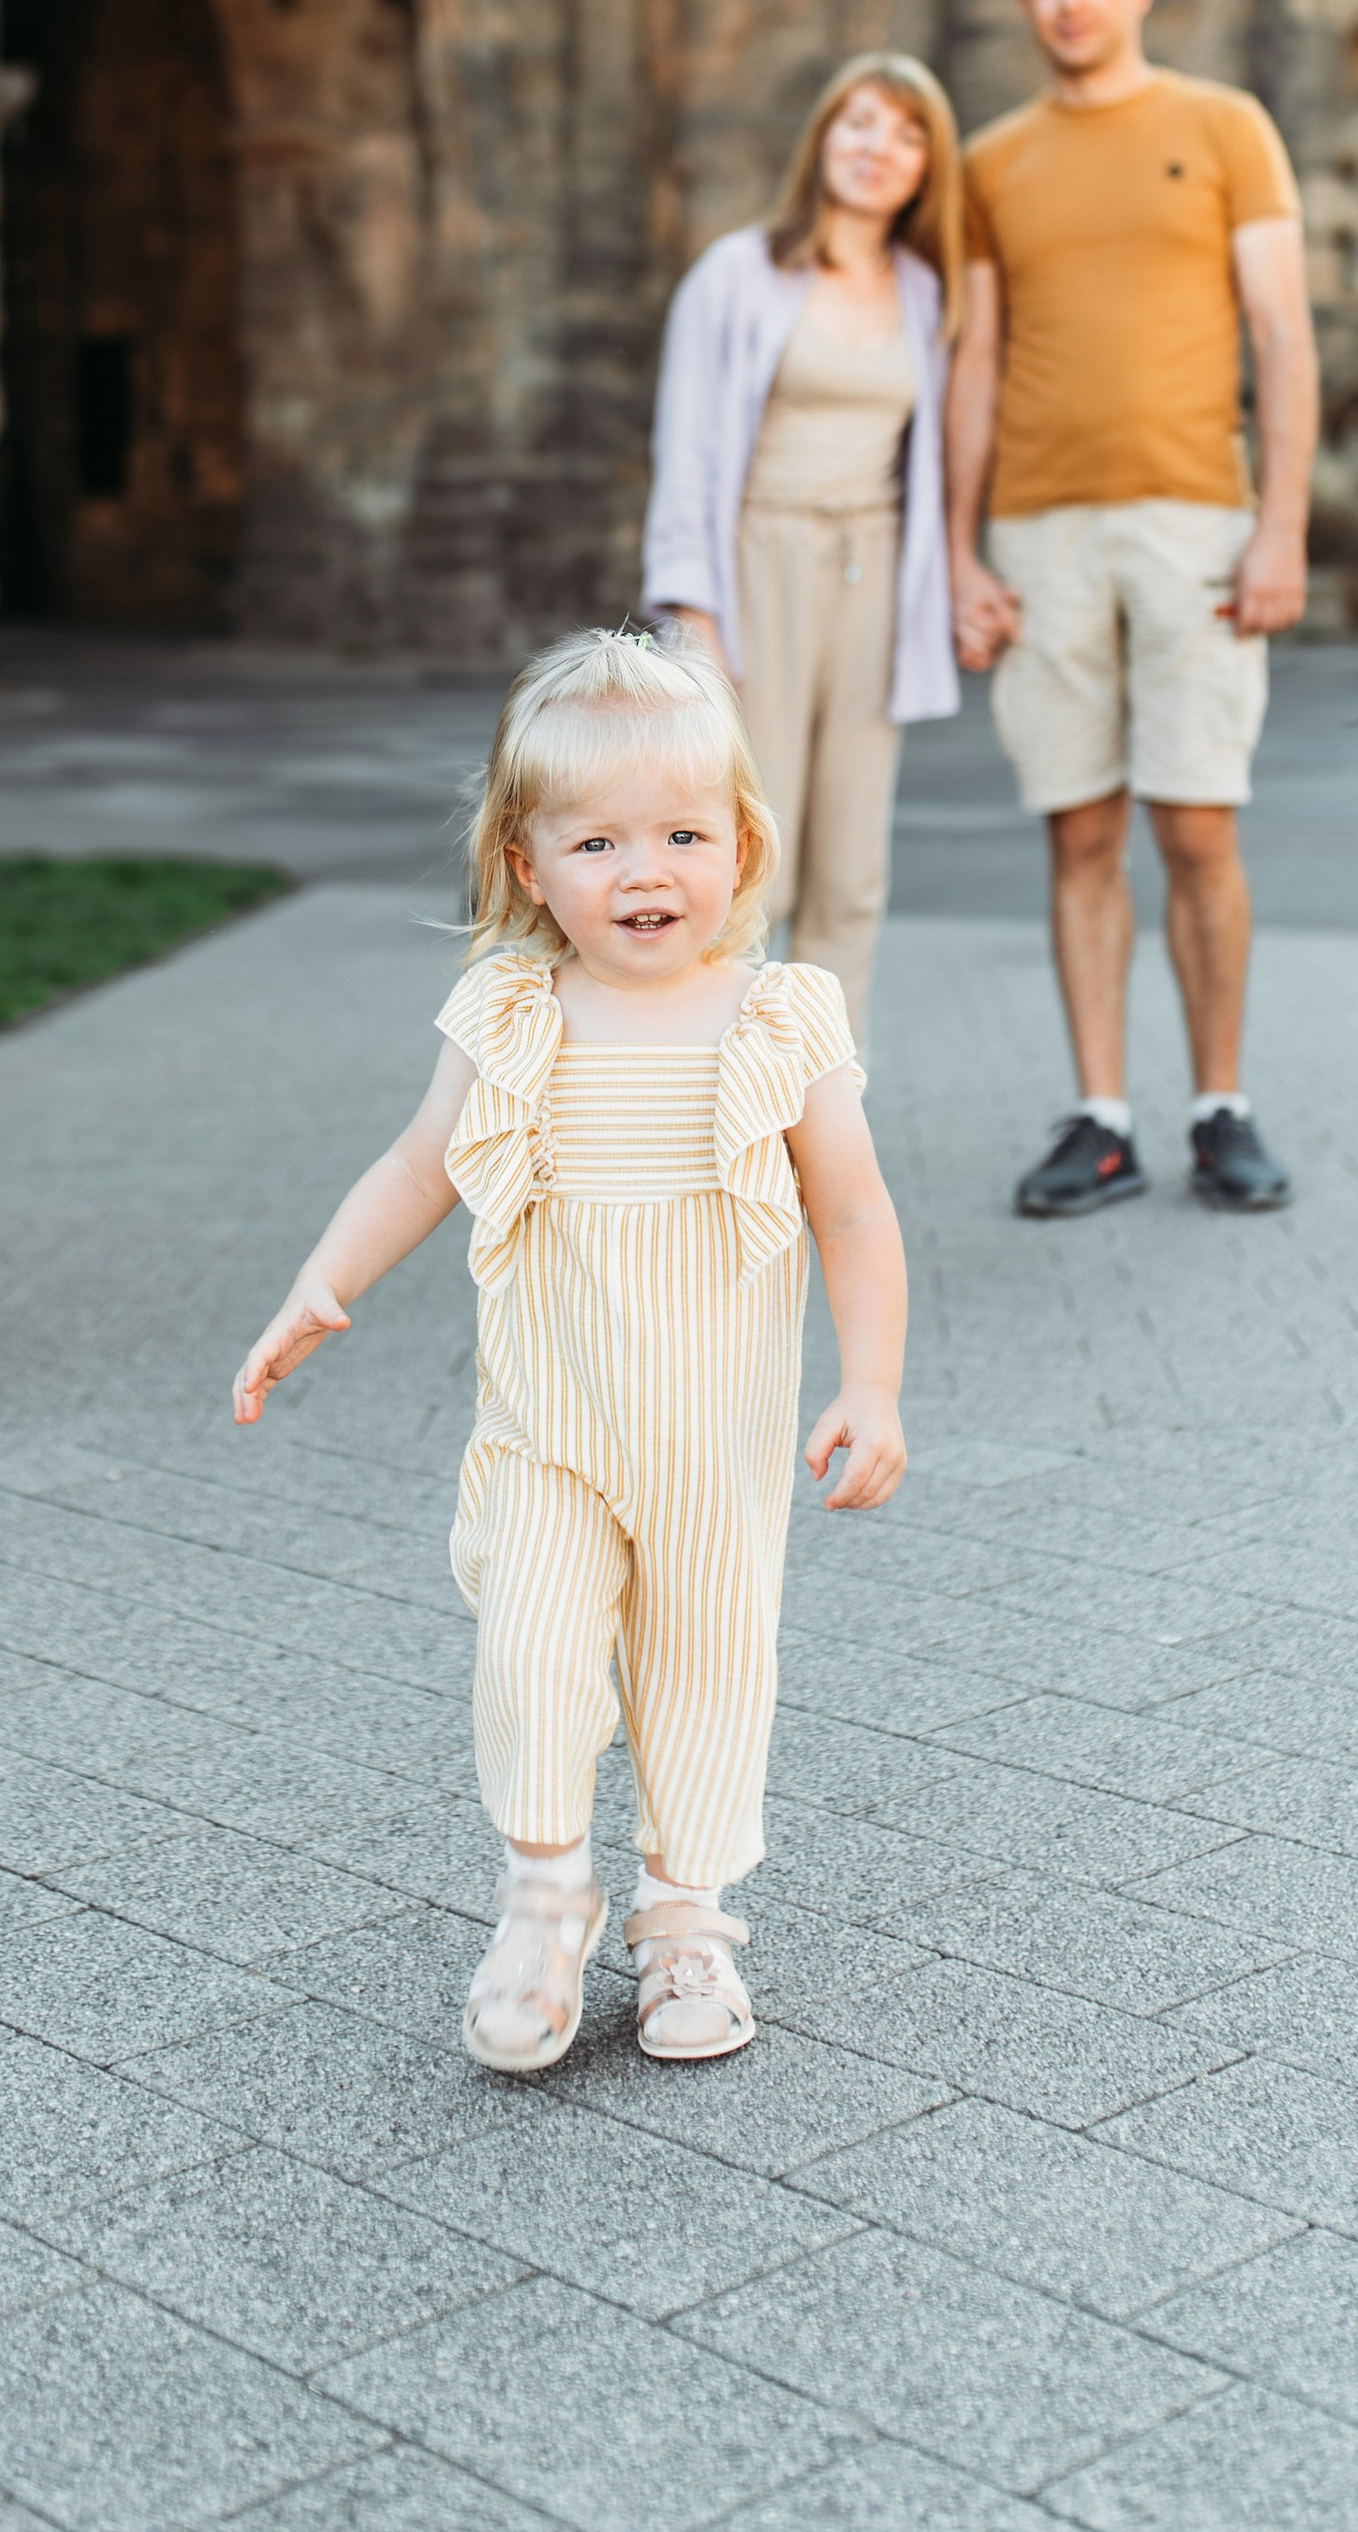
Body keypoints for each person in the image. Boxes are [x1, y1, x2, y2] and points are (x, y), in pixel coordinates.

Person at [230, 628, 909, 2075]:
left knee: (705, 1667)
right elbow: (421, 1162)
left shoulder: (781, 1016)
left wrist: (872, 1381)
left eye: (679, 831)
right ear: (529, 865)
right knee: (533, 1651)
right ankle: (544, 1900)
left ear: (740, 841)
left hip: (715, 1446)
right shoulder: (510, 1011)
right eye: (596, 839)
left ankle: (682, 1920)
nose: (644, 868)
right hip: (549, 1423)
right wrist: (317, 1280)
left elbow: (854, 1207)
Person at [947, 0, 1319, 1218]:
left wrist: (1280, 523)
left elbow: (1280, 332)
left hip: (1194, 521)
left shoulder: (1225, 126)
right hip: (1038, 529)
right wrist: (956, 550)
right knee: (1080, 830)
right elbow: (974, 356)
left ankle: (1220, 1103)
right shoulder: (990, 160)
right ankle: (1100, 1118)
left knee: (1198, 824)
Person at [642, 53, 963, 1037]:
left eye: (907, 134)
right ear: (823, 136)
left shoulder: (925, 291)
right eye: (860, 123)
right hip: (755, 570)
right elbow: (686, 447)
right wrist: (693, 621)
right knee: (745, 855)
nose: (879, 149)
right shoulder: (738, 274)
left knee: (851, 865)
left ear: (926, 167)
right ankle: (707, 1100)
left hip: (874, 572)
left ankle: (825, 1114)